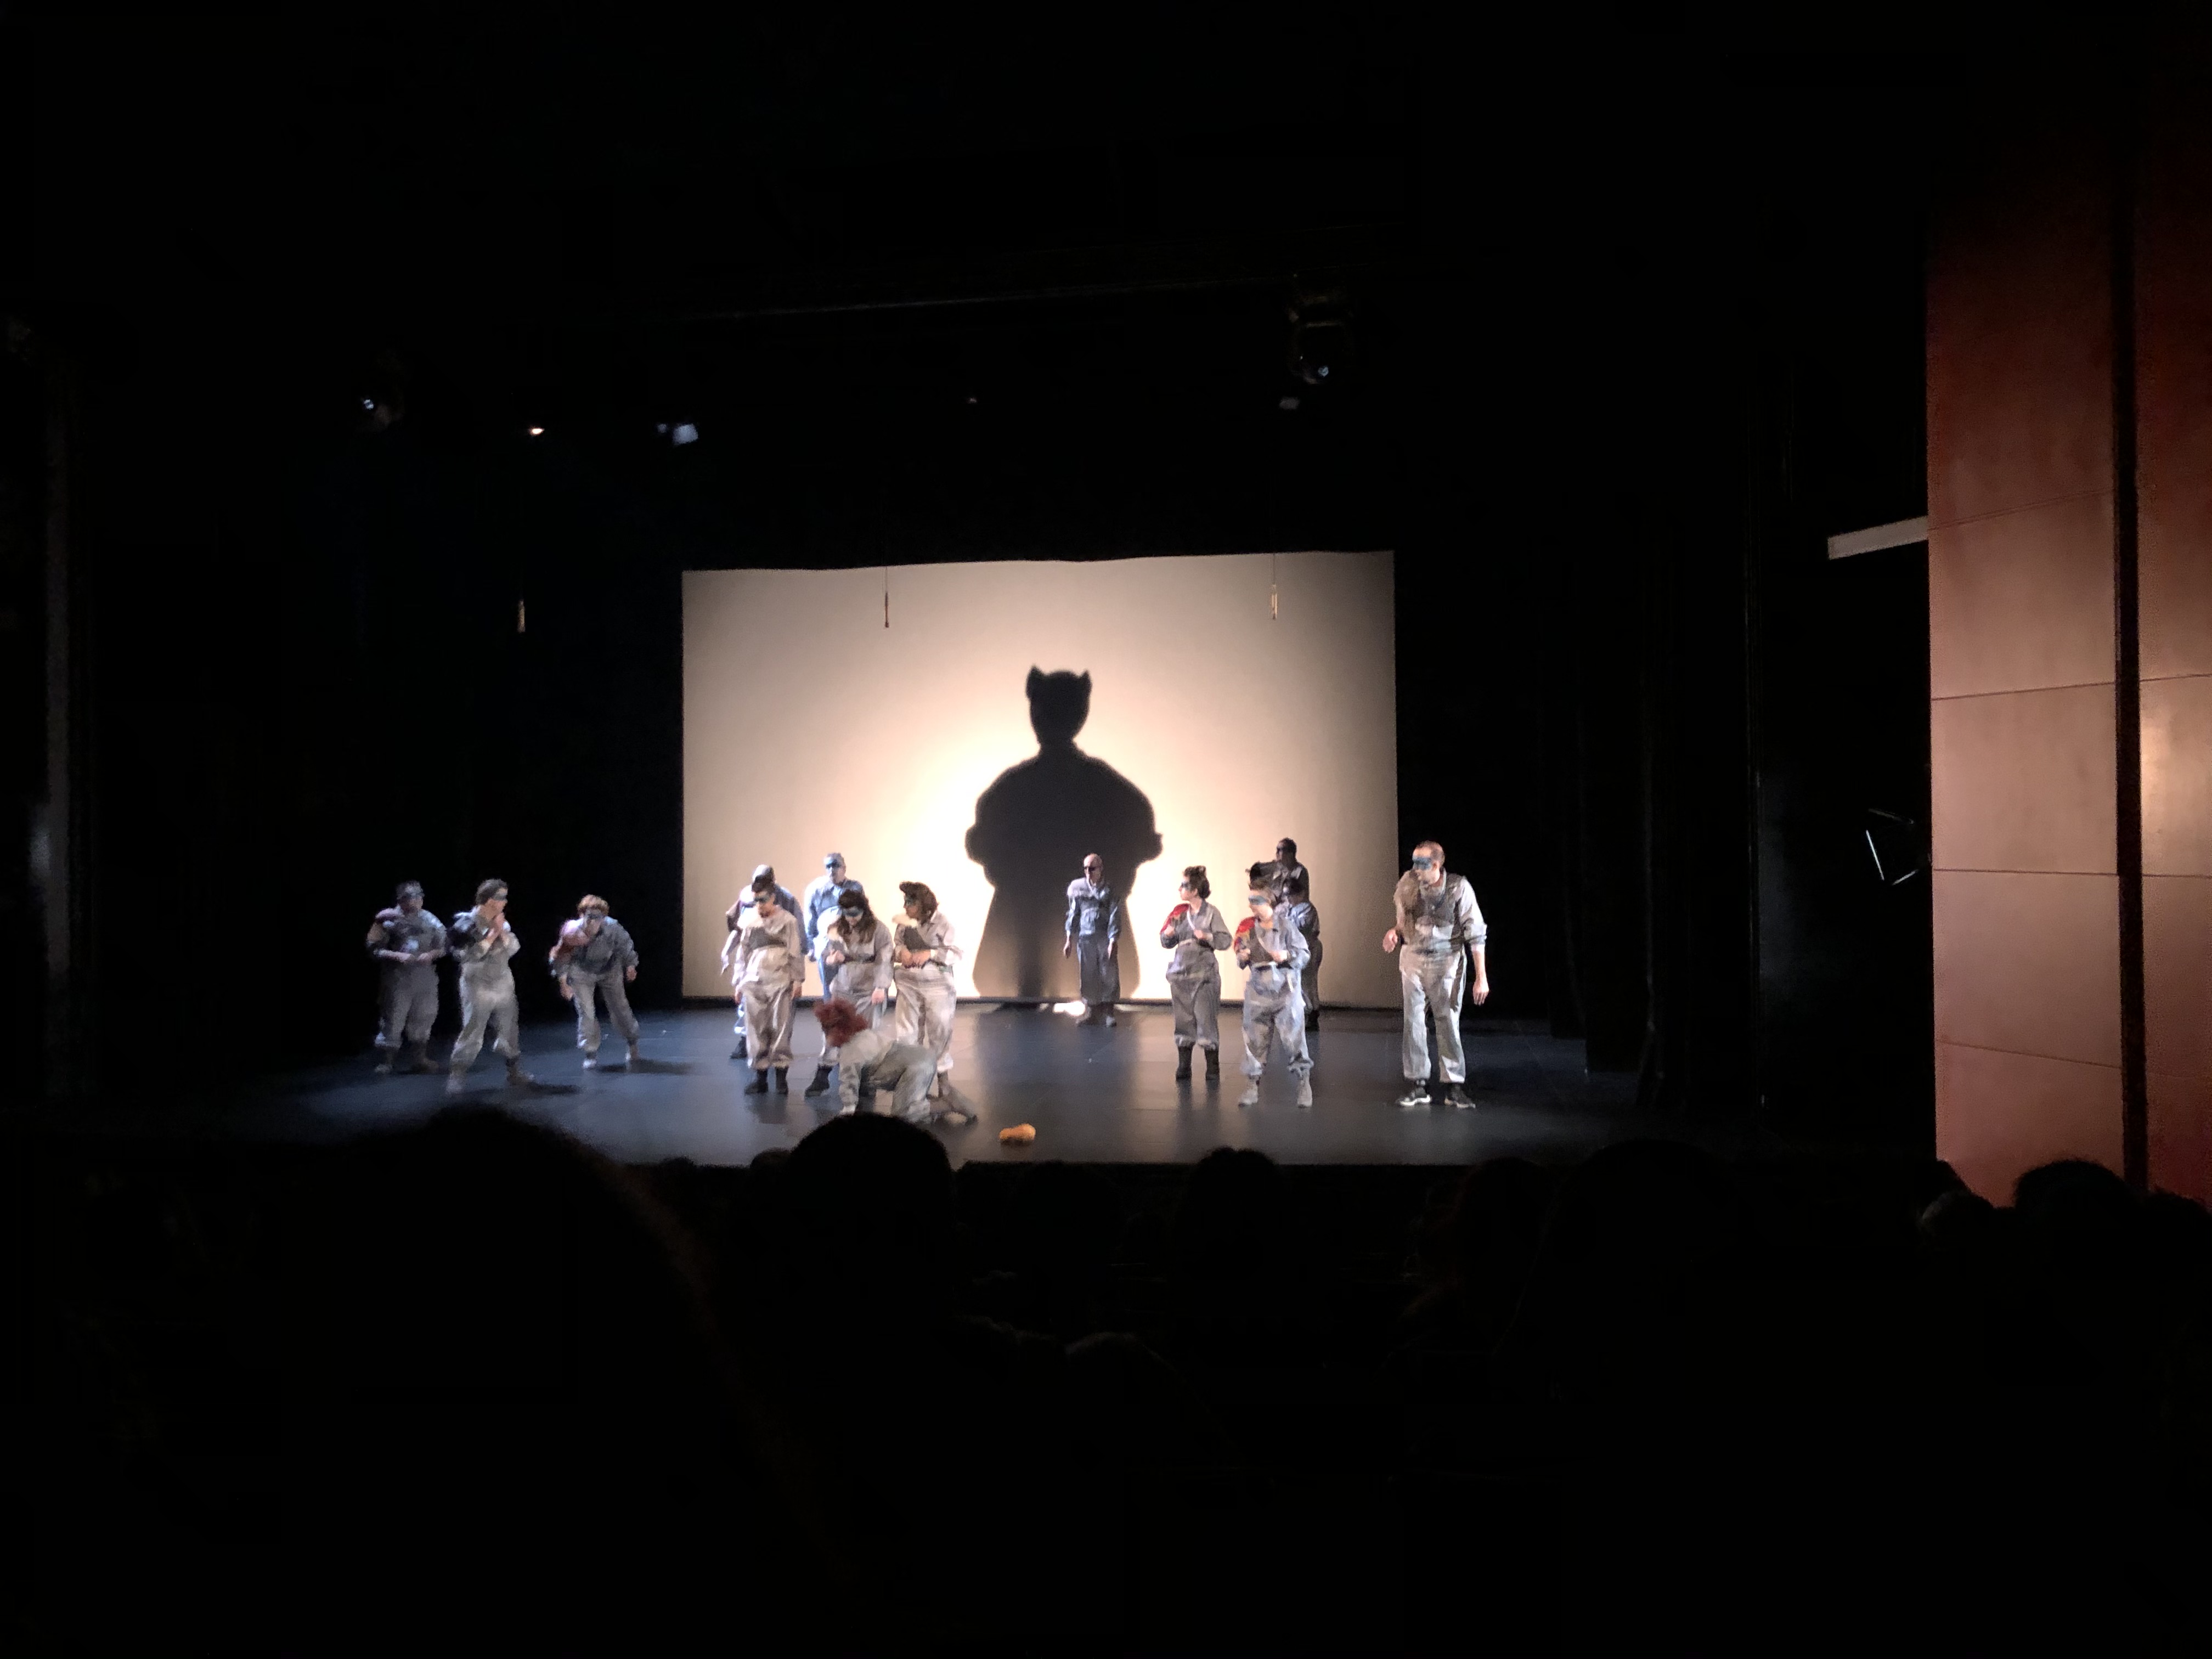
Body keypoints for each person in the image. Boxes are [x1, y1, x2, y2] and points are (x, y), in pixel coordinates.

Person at [1384, 840, 1489, 1109]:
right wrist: (1394, 932)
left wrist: (1481, 977)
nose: (1415, 869)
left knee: (1447, 1020)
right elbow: (1402, 922)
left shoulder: (1458, 888)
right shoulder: (1407, 884)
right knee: (1413, 1021)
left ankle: (1454, 1085)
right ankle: (1418, 1083)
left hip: (1447, 960)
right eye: (1414, 862)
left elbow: (1476, 933)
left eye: (1421, 864)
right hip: (1414, 957)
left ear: (1436, 865)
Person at [814, 996, 964, 1126]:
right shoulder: (865, 1034)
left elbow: (849, 1083)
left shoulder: (850, 1053)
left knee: (904, 1114)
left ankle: (948, 1104)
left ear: (836, 1030)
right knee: (910, 1098)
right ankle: (925, 1104)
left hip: (915, 1067)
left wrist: (848, 1108)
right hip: (922, 1057)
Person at [1233, 862, 1312, 1108]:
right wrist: (1242, 956)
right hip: (1258, 992)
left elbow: (1304, 954)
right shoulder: (1248, 928)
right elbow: (1239, 957)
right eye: (1250, 900)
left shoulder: (1286, 926)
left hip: (1285, 992)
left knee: (1294, 1040)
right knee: (1255, 1040)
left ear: (1268, 901)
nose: (1251, 905)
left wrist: (1287, 956)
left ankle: (1304, 1083)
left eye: (1256, 900)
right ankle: (1252, 1086)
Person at [445, 878, 532, 1094]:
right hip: (478, 983)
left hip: (502, 980)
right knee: (473, 1029)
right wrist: (492, 936)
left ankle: (514, 1072)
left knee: (509, 1028)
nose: (505, 902)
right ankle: (457, 1074)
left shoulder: (502, 921)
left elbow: (514, 948)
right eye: (501, 897)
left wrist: (501, 932)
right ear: (489, 900)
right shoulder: (466, 923)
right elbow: (464, 955)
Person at [806, 885, 892, 1098]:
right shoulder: (837, 928)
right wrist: (831, 958)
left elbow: (885, 959)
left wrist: (881, 987)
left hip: (868, 989)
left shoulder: (878, 930)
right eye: (847, 914)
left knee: (866, 1035)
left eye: (855, 914)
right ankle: (823, 1073)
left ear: (864, 910)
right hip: (844, 986)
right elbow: (825, 953)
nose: (851, 919)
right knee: (835, 1031)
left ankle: (866, 1079)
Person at [724, 877, 804, 1094]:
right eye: (756, 901)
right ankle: (760, 1078)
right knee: (756, 1029)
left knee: (780, 1027)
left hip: (780, 979)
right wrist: (738, 983)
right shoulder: (749, 920)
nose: (760, 905)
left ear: (773, 898)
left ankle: (781, 1078)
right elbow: (743, 954)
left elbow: (795, 951)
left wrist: (798, 980)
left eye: (764, 900)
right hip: (754, 980)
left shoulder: (787, 921)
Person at [550, 895, 640, 1070]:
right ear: (582, 915)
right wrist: (564, 983)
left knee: (620, 1007)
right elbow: (560, 958)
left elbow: (625, 945)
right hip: (581, 971)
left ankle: (632, 1042)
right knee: (586, 1012)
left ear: (603, 918)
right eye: (589, 916)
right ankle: (590, 1052)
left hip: (609, 969)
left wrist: (631, 965)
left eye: (598, 918)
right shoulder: (571, 931)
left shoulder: (612, 928)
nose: (592, 922)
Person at [1159, 865, 1231, 1082]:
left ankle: (1212, 1067)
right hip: (1181, 976)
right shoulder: (1179, 914)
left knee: (1206, 1020)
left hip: (1204, 976)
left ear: (1195, 889)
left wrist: (1208, 937)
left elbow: (1225, 940)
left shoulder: (1211, 913)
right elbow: (1165, 941)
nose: (1180, 889)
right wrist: (1169, 935)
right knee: (1183, 1021)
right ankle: (1184, 1065)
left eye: (1184, 885)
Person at [366, 881, 446, 1074]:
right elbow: (373, 949)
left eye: (420, 896)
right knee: (393, 1017)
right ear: (401, 900)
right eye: (412, 897)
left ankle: (420, 1059)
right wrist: (397, 955)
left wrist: (432, 954)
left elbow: (444, 946)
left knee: (425, 1016)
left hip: (424, 977)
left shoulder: (430, 919)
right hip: (398, 978)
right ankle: (387, 1061)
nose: (418, 901)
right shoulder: (387, 920)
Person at [891, 881, 961, 1098]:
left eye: (910, 902)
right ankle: (912, 1084)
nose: (905, 907)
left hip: (937, 985)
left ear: (922, 904)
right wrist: (902, 952)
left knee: (939, 1030)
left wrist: (931, 954)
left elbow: (955, 951)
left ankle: (943, 1083)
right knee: (907, 1033)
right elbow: (897, 944)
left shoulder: (942, 923)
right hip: (909, 983)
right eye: (905, 902)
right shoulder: (905, 923)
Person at [1063, 853, 1123, 1025]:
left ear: (1100, 869)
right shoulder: (1078, 888)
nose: (1089, 872)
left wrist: (1113, 939)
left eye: (1092, 868)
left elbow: (1114, 915)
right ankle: (1091, 1010)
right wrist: (1069, 939)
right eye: (1086, 868)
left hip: (1104, 936)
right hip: (1085, 937)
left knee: (1108, 972)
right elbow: (1073, 914)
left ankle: (1109, 1010)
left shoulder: (1109, 889)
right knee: (1088, 973)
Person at [801, 853, 853, 999]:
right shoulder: (816, 890)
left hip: (849, 942)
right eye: (828, 867)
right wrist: (811, 946)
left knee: (850, 987)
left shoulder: (854, 889)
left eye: (835, 866)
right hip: (826, 943)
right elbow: (810, 919)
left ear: (844, 868)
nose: (832, 870)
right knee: (829, 988)